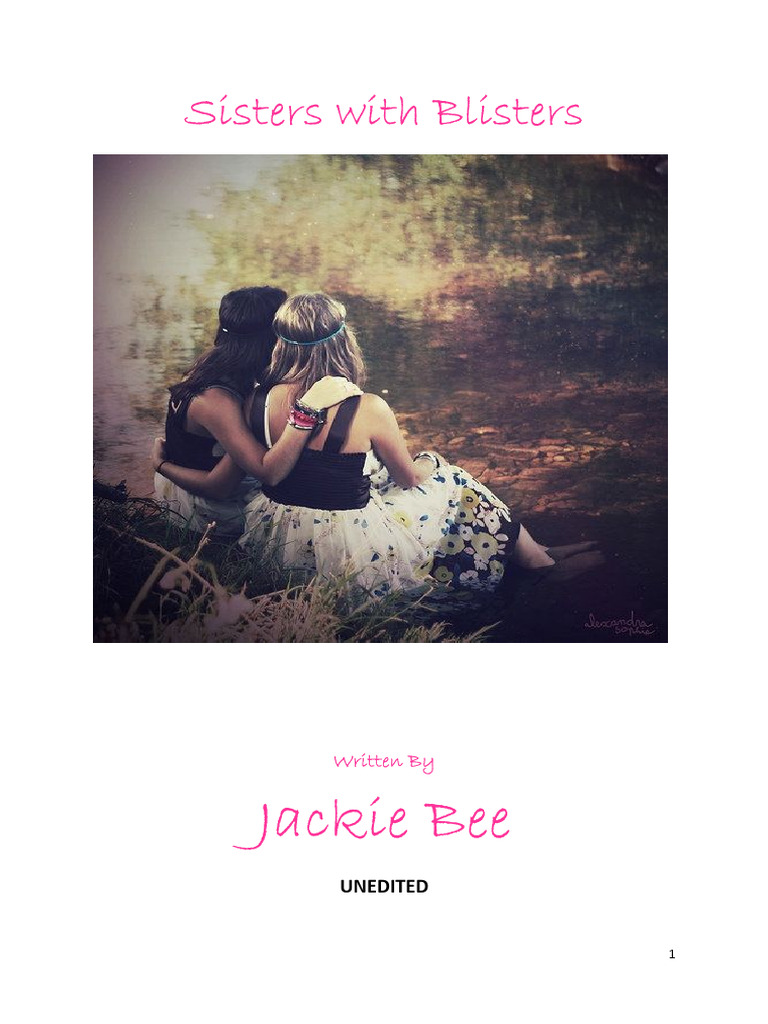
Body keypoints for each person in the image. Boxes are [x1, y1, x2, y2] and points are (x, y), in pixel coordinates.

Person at [154, 292, 599, 599]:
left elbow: (271, 468)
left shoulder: (256, 399)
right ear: (344, 341)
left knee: (401, 477)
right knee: (455, 481)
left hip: (278, 529)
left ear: (281, 345)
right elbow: (408, 479)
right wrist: (430, 464)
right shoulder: (368, 407)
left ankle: (536, 552)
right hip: (346, 536)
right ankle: (539, 564)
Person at [154, 286, 359, 535]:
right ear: (273, 338)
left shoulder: (219, 364)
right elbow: (226, 485)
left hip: (209, 482)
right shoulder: (217, 401)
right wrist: (161, 465)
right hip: (208, 506)